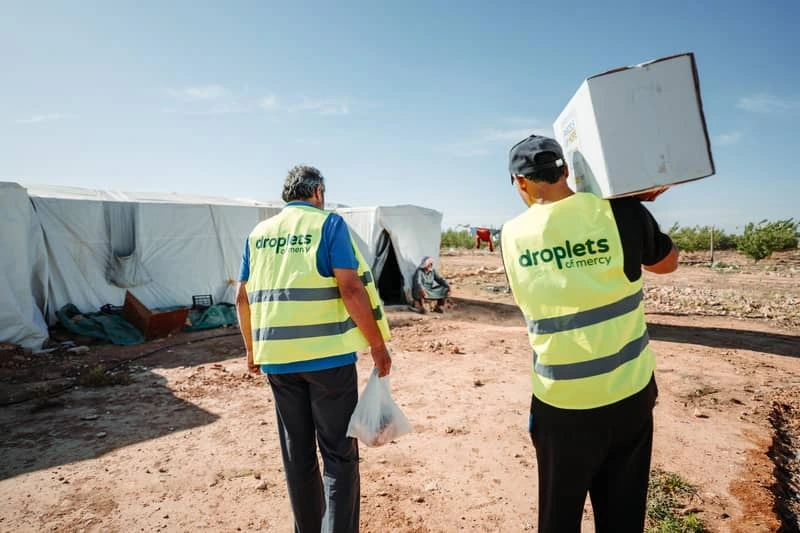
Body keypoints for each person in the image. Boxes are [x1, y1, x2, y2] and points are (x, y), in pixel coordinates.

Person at [501, 134, 679, 533]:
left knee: (558, 519)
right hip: (630, 395)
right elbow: (668, 263)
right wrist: (635, 209)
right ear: (566, 170)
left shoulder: (511, 236)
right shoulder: (620, 211)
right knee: (623, 518)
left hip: (561, 404)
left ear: (520, 181)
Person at [235, 165, 392, 533]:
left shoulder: (258, 234)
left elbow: (242, 297)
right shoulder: (328, 225)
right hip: (328, 361)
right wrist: (377, 345)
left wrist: (252, 351)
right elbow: (350, 288)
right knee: (338, 455)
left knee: (298, 456)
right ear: (318, 192)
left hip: (278, 362)